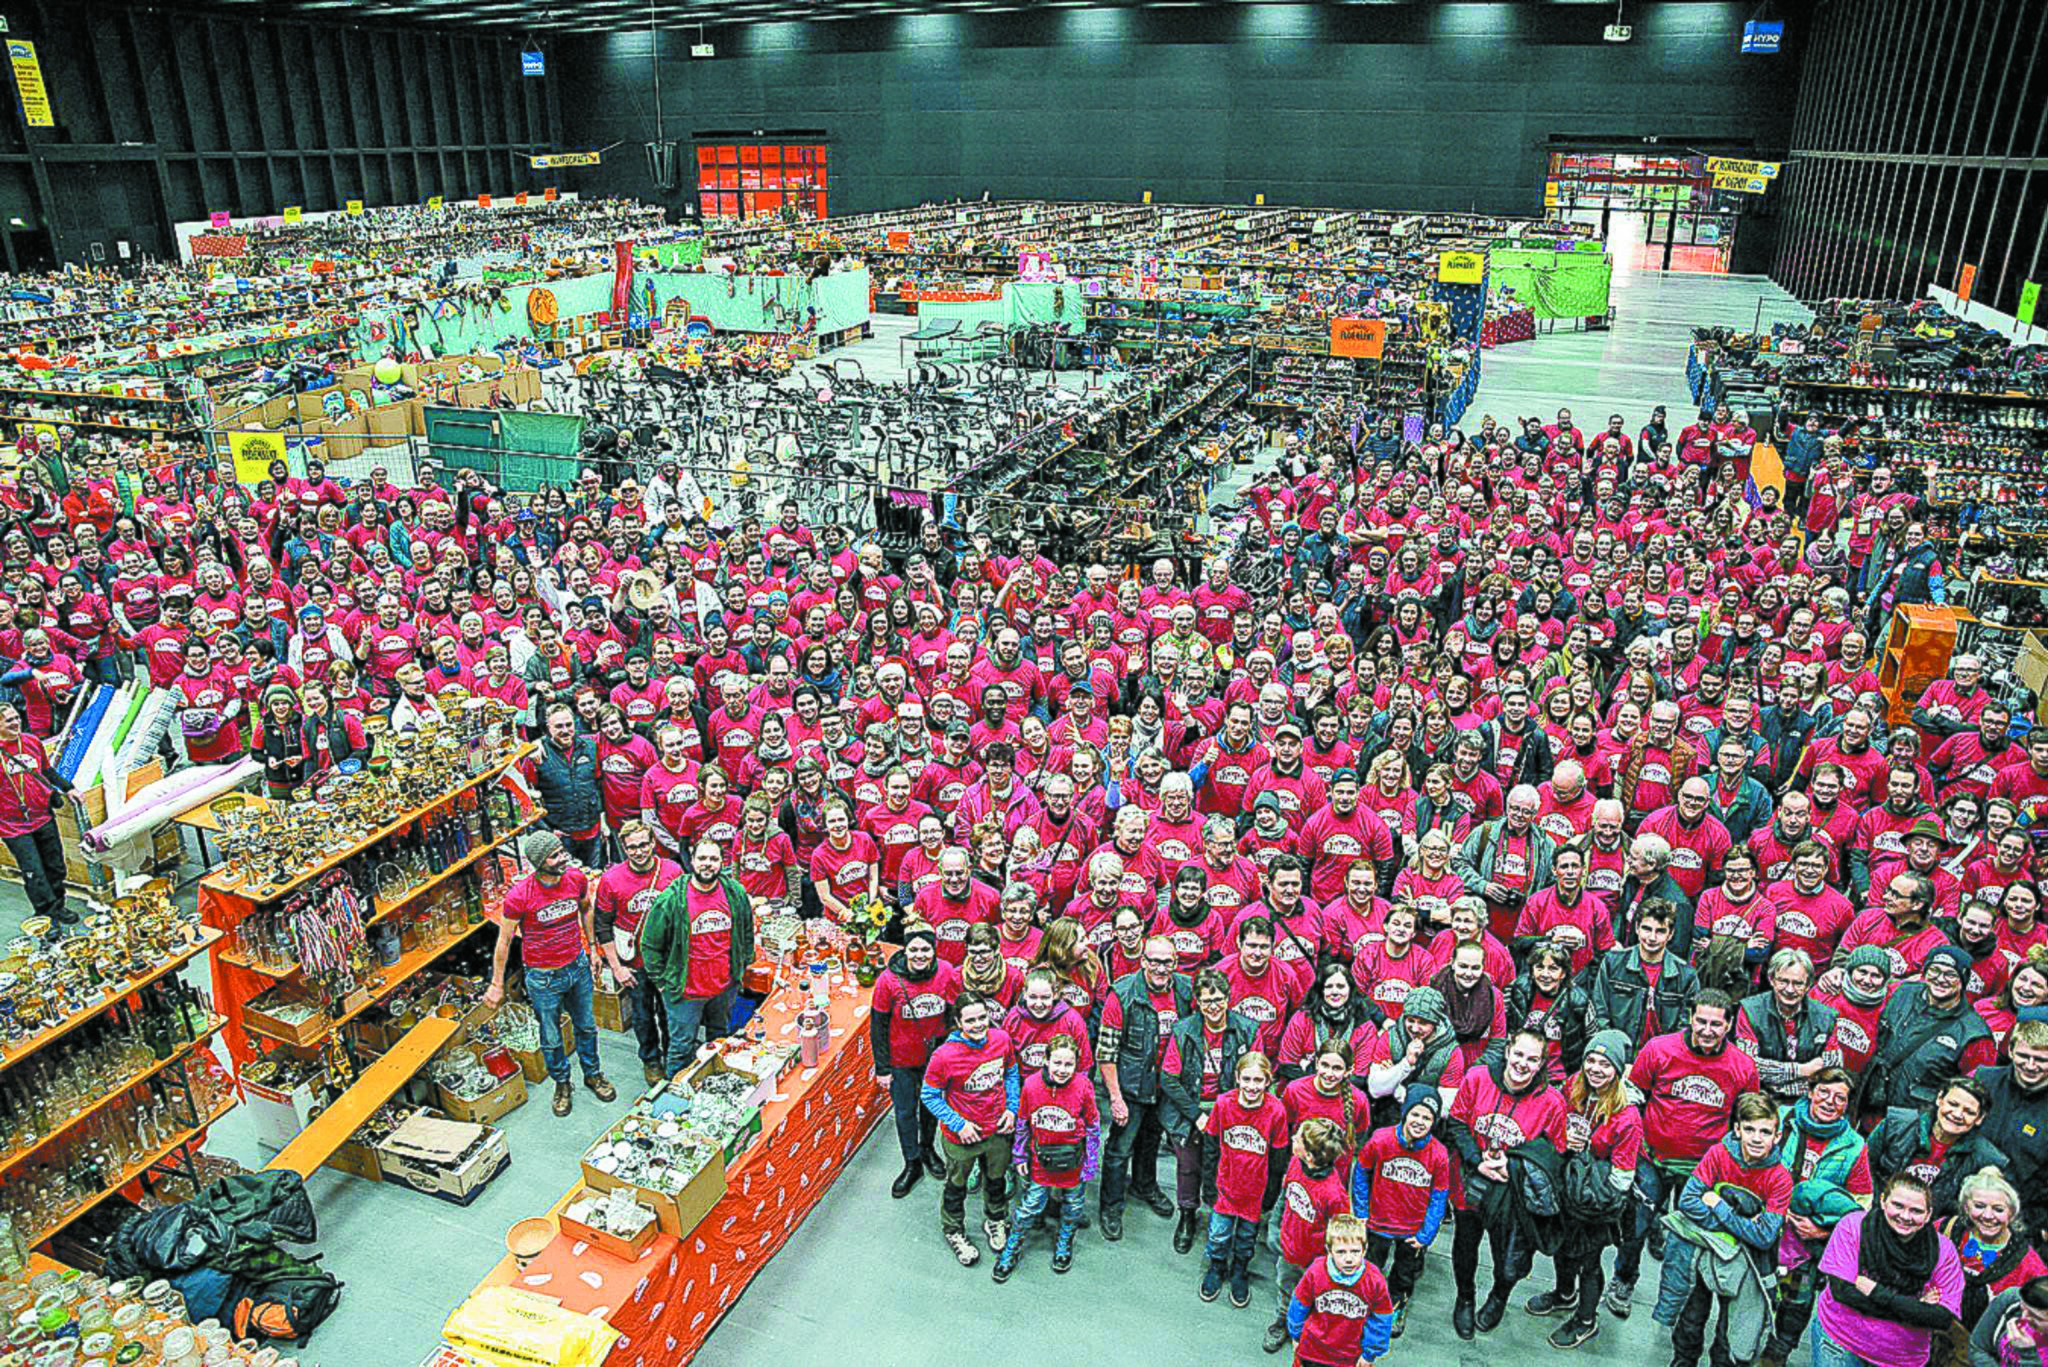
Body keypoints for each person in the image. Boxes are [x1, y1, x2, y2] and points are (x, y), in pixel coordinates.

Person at [1611, 991, 1758, 1316]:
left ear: (1729, 1025)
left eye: (1716, 1024)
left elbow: (1748, 1118)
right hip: (1651, 1158)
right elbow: (1634, 1095)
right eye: (1701, 1021)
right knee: (1634, 1225)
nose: (1707, 1030)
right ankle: (1623, 1278)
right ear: (1690, 1018)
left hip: (1703, 1171)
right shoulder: (1659, 1049)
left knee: (1686, 1240)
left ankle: (1670, 1305)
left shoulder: (1742, 1066)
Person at [482, 829, 617, 1117]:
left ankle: (593, 1075)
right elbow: (504, 941)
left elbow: (586, 908)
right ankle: (562, 1084)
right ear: (539, 862)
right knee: (552, 1036)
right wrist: (496, 984)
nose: (563, 858)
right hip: (543, 978)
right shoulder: (520, 896)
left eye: (561, 851)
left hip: (577, 967)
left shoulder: (576, 879)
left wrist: (592, 949)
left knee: (587, 1027)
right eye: (555, 855)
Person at [1445, 1028, 1568, 1338]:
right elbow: (1457, 1124)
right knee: (1465, 1246)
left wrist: (1512, 1166)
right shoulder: (1477, 1078)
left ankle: (1499, 1296)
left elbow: (1554, 1154)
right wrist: (1477, 1161)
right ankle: (1466, 1297)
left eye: (1533, 1059)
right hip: (1471, 1182)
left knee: (1508, 1256)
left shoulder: (1552, 1102)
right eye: (1519, 1054)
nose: (1523, 1064)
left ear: (1542, 1064)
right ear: (1507, 1051)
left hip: (1513, 1196)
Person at [1529, 1029, 1640, 1350]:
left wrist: (1588, 1153)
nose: (1595, 1069)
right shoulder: (1573, 1087)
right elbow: (1554, 1122)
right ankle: (1564, 1294)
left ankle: (1586, 1319)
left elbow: (1622, 1178)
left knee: (1589, 1261)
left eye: (1605, 1064)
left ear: (1617, 1070)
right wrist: (1564, 1138)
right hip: (1567, 1189)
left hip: (1597, 1202)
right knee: (1563, 1249)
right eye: (1591, 1060)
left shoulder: (1627, 1116)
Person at [1667, 1091, 1793, 1367]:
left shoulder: (1781, 1178)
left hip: (1747, 1263)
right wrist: (1742, 1225)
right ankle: (1683, 1361)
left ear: (1777, 1134)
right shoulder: (1719, 1153)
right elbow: (1687, 1201)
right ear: (1737, 1129)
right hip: (1707, 1250)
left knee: (1730, 1330)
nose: (1757, 1138)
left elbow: (1764, 1237)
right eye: (1749, 1129)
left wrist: (1719, 1206)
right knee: (1691, 1317)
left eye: (1765, 1131)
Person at [1764, 1068, 1873, 1367]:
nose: (1829, 1101)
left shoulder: (1854, 1146)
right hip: (1765, 1228)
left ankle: (1777, 1354)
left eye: (1840, 1098)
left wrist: (1824, 1233)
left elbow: (1861, 1208)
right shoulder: (1781, 1119)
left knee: (1794, 1304)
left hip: (1807, 1244)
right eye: (1823, 1092)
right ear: (1810, 1092)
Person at [1097, 935, 1194, 1243]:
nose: (1160, 968)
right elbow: (1106, 1052)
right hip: (1131, 1086)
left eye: (1166, 961)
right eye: (1153, 960)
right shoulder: (1122, 994)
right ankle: (1110, 1205)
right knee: (1119, 1148)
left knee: (1151, 1140)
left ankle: (1144, 1184)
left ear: (1175, 963)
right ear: (1143, 960)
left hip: (1165, 1087)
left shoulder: (1186, 990)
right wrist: (1115, 1097)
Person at [1811, 1174, 1961, 1367]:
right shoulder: (1853, 1226)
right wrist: (1915, 1307)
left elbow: (1942, 1318)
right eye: (1898, 1206)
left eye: (1916, 1211)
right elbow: (1843, 1292)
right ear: (1882, 1201)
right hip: (1840, 1340)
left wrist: (1878, 1293)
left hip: (1901, 1356)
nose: (1905, 1217)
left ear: (1928, 1214)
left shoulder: (1943, 1251)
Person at [1160, 967, 1258, 1254]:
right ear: (1198, 1003)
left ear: (1228, 998)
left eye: (1218, 1000)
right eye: (1206, 1001)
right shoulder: (1184, 1030)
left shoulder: (1248, 1030)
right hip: (1191, 1111)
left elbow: (1254, 1072)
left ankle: (1220, 1217)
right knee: (1188, 1166)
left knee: (1224, 1169)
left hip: (1231, 1110)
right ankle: (1187, 1215)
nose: (1213, 1007)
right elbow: (1168, 1078)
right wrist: (1197, 1115)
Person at [638, 836, 755, 1074]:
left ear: (723, 862)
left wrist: (741, 967)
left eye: (714, 859)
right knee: (681, 1048)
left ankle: (715, 1085)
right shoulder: (671, 900)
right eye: (702, 858)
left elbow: (746, 931)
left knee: (720, 1041)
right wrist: (662, 983)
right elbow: (649, 945)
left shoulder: (735, 893)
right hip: (685, 993)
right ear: (691, 861)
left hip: (723, 988)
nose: (707, 864)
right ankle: (678, 1099)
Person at [920, 989, 1019, 1268]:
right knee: (957, 1185)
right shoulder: (944, 1056)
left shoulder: (1001, 1040)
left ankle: (995, 1219)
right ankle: (954, 1231)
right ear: (958, 1023)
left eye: (982, 1018)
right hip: (962, 1137)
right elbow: (929, 1096)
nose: (978, 1025)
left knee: (997, 1180)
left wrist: (1012, 1107)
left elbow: (1011, 1072)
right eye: (970, 1020)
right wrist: (958, 1123)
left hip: (997, 1131)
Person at [992, 1032, 1098, 1282]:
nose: (1062, 1069)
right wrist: (1019, 1156)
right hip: (1041, 1161)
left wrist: (1091, 1161)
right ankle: (1012, 1247)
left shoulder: (1084, 1086)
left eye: (1069, 1064)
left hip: (1073, 1162)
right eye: (1057, 1063)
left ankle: (1064, 1242)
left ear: (1077, 1064)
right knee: (1029, 1207)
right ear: (1046, 1061)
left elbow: (1093, 1126)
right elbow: (1023, 1123)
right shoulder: (1030, 1085)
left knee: (1073, 1206)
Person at [871, 922, 962, 1198]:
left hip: (935, 1060)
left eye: (926, 949)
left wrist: (950, 1049)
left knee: (930, 1108)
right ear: (905, 950)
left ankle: (927, 1149)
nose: (920, 955)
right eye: (914, 949)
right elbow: (879, 1026)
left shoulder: (946, 972)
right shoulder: (888, 981)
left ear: (934, 951)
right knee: (905, 1112)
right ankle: (912, 1163)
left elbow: (954, 1011)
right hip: (901, 1061)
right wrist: (883, 1068)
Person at [1354, 1083, 1450, 1339]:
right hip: (1377, 1222)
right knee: (1371, 1265)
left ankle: (1396, 1305)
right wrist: (1361, 1211)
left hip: (1412, 1231)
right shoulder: (1381, 1140)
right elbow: (1361, 1173)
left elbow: (1439, 1198)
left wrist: (1426, 1235)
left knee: (1404, 1273)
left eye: (1427, 1117)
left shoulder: (1439, 1155)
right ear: (1405, 1112)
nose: (1420, 1121)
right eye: (1415, 1114)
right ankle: (1364, 1302)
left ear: (1434, 1121)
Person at [593, 819, 682, 1086]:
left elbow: (684, 915)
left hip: (667, 962)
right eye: (632, 847)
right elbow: (603, 926)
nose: (639, 851)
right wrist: (617, 967)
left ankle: (674, 1056)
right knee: (642, 1015)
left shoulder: (673, 871)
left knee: (671, 1013)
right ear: (624, 848)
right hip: (634, 963)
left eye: (644, 844)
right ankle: (651, 1060)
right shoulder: (611, 880)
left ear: (653, 843)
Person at [1199, 1049, 1290, 1309]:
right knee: (1218, 1235)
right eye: (1247, 1080)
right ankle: (1216, 1267)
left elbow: (1278, 1159)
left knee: (1246, 1239)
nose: (1252, 1086)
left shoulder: (1276, 1111)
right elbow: (1211, 1148)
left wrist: (1270, 1195)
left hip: (1256, 1193)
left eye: (1258, 1080)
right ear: (1237, 1078)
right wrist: (1209, 1185)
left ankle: (1240, 1270)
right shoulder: (1223, 1104)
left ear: (1268, 1081)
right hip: (1225, 1188)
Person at [1265, 1116, 1352, 1353]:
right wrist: (1274, 1227)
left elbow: (1340, 1240)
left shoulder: (1334, 1196)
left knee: (1313, 1298)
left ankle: (1308, 1330)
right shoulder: (1295, 1162)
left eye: (1299, 1138)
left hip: (1315, 1262)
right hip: (1288, 1252)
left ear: (1310, 1157)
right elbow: (1285, 1195)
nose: (1293, 1138)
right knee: (1285, 1287)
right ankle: (1282, 1321)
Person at [1867, 1076, 2008, 1221]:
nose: (1957, 1114)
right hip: (1876, 1214)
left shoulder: (1987, 1160)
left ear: (1980, 1118)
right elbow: (1864, 1167)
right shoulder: (1895, 1124)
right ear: (1939, 1099)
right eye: (1953, 1104)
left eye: (1969, 1112)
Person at [0, 699, 74, 932]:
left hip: (43, 817)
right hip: (13, 827)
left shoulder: (31, 742)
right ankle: (45, 915)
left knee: (55, 866)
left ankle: (59, 906)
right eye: (9, 720)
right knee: (34, 872)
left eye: (16, 717)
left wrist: (69, 787)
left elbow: (47, 771)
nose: (16, 722)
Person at [1974, 1018, 2048, 1249]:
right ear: (2011, 1051)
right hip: (1968, 1203)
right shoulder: (1984, 1080)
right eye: (2024, 1056)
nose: (2031, 1065)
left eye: (2041, 1060)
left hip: (2026, 1220)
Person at [1286, 1213, 1396, 1367]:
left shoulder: (1375, 1281)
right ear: (1329, 1251)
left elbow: (1381, 1320)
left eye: (1355, 1251)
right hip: (1312, 1350)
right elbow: (1298, 1305)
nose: (1349, 1259)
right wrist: (1296, 1335)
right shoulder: (1316, 1271)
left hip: (1349, 1356)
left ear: (1365, 1250)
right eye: (1341, 1252)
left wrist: (1369, 1354)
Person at [1945, 1168, 2048, 1329]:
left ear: (2012, 1213)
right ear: (1966, 1207)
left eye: (1998, 1209)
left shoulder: (2028, 1264)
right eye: (1979, 1206)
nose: (1987, 1216)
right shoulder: (1946, 1230)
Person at [527, 701, 604, 865]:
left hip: (593, 831)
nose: (565, 730)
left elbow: (599, 784)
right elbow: (527, 798)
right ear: (548, 728)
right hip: (561, 836)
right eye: (558, 726)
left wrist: (602, 818)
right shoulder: (537, 755)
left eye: (568, 725)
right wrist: (547, 830)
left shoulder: (590, 746)